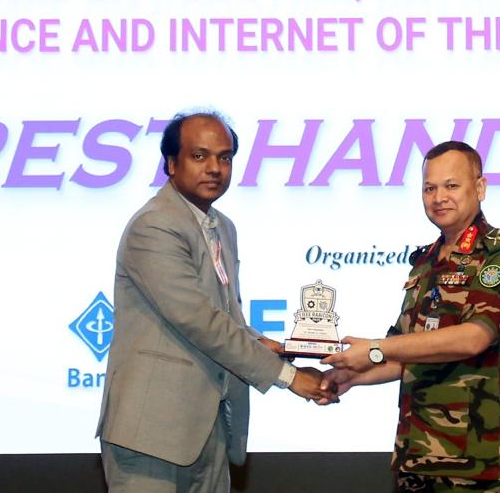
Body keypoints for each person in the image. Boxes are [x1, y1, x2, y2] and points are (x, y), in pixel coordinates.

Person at [97, 110, 331, 493]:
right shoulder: (154, 225)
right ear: (171, 164)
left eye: (224, 157)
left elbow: (225, 316)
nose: (214, 168)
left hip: (211, 427)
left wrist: (265, 344)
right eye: (199, 156)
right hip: (152, 431)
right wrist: (288, 377)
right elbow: (199, 320)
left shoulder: (222, 226)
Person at [322, 141, 500, 492]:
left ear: (480, 188)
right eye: (429, 188)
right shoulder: (426, 262)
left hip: (481, 463)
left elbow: (473, 338)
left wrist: (376, 348)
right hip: (419, 456)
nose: (439, 197)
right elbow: (405, 350)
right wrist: (350, 376)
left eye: (451, 186)